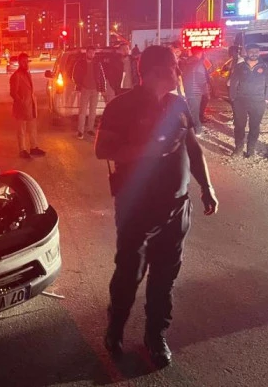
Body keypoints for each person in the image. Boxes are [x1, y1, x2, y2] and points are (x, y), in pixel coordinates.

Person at [95, 45, 218, 368]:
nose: (179, 70)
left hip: (177, 205)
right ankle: (115, 328)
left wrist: (206, 187)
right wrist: (148, 150)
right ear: (155, 71)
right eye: (174, 65)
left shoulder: (178, 103)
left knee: (165, 277)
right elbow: (103, 149)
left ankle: (155, 336)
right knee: (129, 273)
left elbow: (193, 147)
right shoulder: (121, 105)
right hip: (136, 207)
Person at [229, 43, 268, 157]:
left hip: (258, 101)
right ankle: (238, 149)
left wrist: (266, 99)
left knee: (254, 126)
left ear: (259, 52)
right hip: (240, 101)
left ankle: (251, 150)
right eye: (251, 51)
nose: (254, 54)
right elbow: (233, 83)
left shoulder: (266, 66)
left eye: (256, 51)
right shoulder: (240, 66)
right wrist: (233, 98)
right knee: (239, 126)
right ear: (247, 52)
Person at [10, 52, 46, 158]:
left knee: (32, 128)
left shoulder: (28, 73)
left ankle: (33, 147)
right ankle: (22, 150)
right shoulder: (16, 76)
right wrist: (21, 102)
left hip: (31, 106)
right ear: (19, 63)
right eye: (23, 62)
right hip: (21, 107)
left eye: (27, 61)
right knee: (21, 130)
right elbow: (13, 93)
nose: (26, 64)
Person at [72, 46, 107, 139]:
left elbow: (102, 77)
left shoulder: (97, 63)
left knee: (93, 111)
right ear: (87, 53)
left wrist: (103, 89)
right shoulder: (80, 63)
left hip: (95, 90)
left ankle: (90, 129)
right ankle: (80, 131)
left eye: (93, 53)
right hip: (84, 89)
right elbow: (74, 75)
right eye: (90, 52)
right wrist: (79, 85)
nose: (92, 54)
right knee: (82, 112)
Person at [181, 47, 210, 137]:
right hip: (195, 91)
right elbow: (201, 79)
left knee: (191, 111)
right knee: (195, 112)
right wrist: (206, 92)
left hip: (187, 89)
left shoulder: (186, 62)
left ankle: (192, 130)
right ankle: (197, 130)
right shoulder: (199, 63)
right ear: (200, 53)